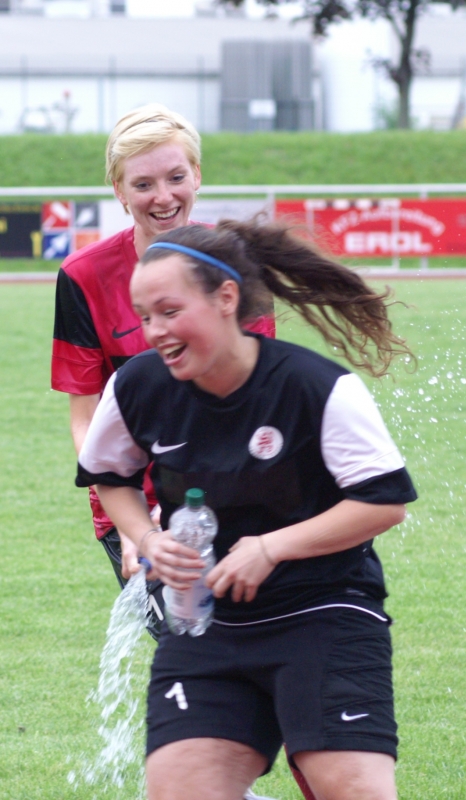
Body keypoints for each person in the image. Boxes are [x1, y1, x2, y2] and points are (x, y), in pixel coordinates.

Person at [75, 219, 418, 800]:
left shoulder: (317, 387)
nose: (154, 330)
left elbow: (384, 503)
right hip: (206, 625)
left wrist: (271, 547)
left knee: (352, 788)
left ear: (226, 298)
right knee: (179, 789)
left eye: (169, 310)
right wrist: (143, 535)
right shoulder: (136, 386)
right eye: (144, 315)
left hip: (324, 613)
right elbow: (111, 476)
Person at [51, 104, 276, 637]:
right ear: (119, 190)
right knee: (195, 652)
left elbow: (254, 402)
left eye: (177, 177)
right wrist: (137, 523)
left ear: (197, 175)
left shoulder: (236, 265)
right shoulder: (82, 277)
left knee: (248, 651)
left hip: (231, 489)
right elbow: (87, 417)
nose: (164, 196)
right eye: (143, 183)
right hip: (131, 507)